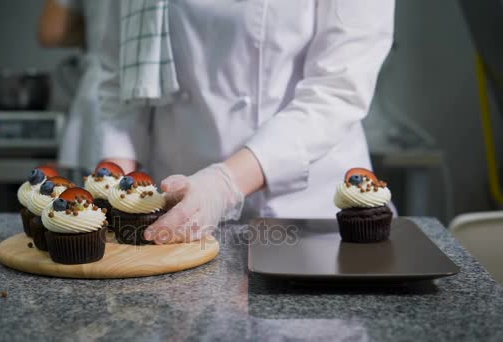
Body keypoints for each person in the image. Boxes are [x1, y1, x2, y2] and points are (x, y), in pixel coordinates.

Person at [39, 0, 395, 244]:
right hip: (176, 207)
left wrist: (224, 184)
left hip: (304, 214)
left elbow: (337, 90)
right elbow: (116, 75)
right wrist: (113, 178)